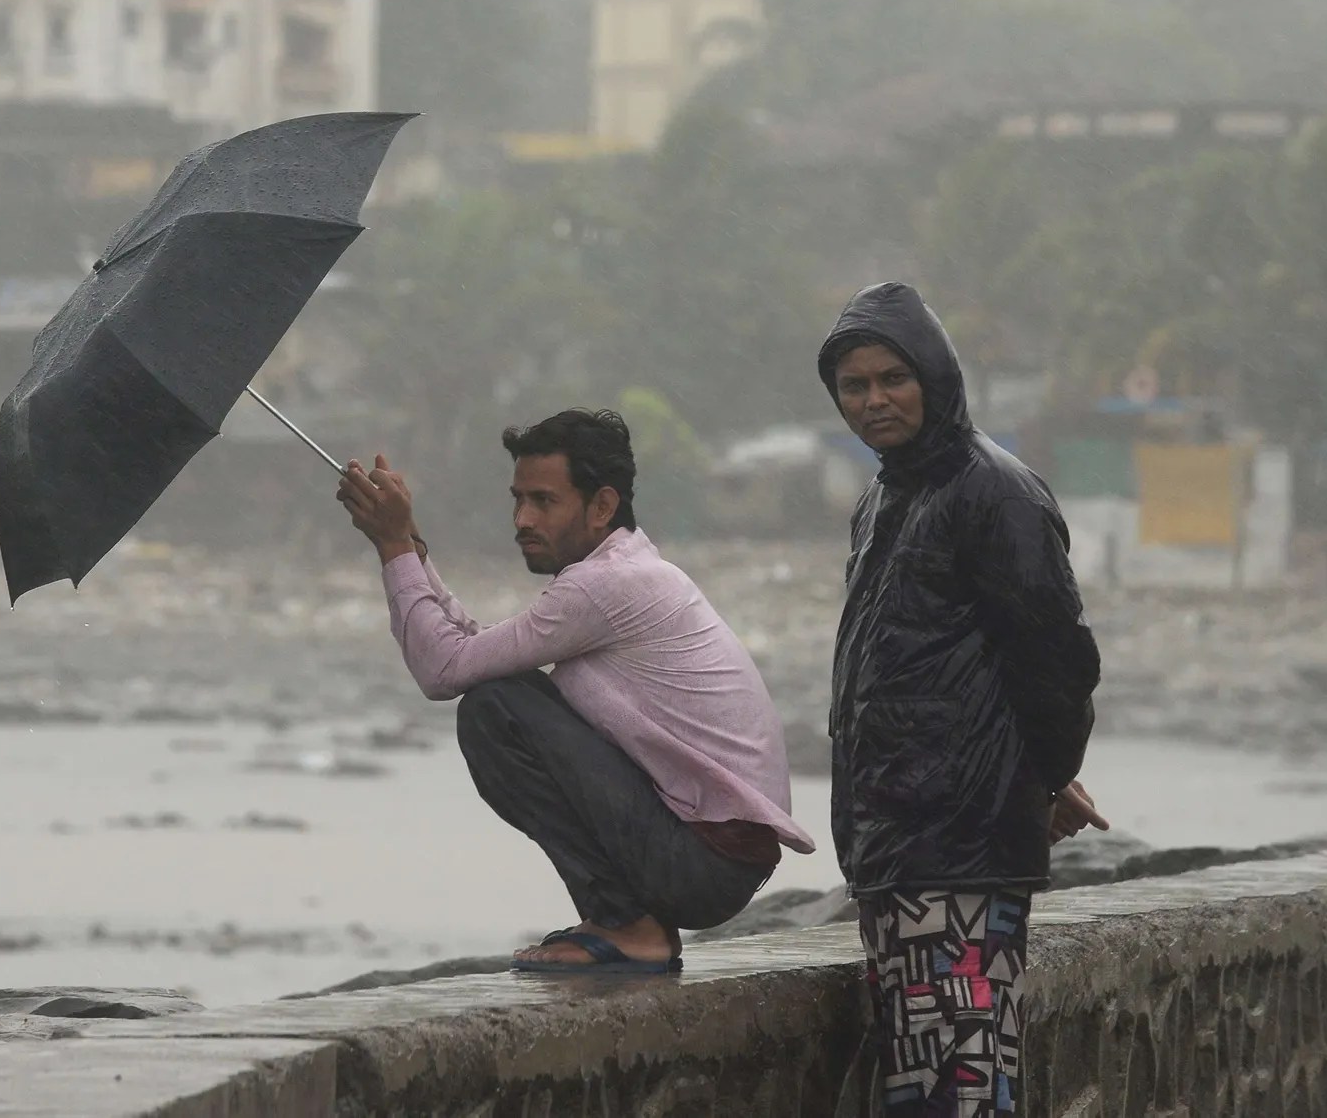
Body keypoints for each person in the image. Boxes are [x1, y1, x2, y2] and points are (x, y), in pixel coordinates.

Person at [334, 408, 813, 974]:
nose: (522, 519)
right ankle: (626, 920)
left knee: (494, 709)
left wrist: (393, 547)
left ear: (602, 506)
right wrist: (409, 546)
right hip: (702, 852)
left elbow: (444, 669)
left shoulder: (606, 586)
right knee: (500, 688)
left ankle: (626, 923)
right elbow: (475, 653)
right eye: (518, 499)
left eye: (543, 501)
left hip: (702, 864)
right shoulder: (622, 571)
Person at [819, 283, 1106, 1117]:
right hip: (896, 853)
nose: (874, 401)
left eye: (892, 379)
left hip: (963, 856)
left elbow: (1056, 661)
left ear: (936, 377)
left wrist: (1043, 780)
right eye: (854, 386)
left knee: (965, 1085)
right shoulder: (883, 499)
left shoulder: (996, 494)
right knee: (926, 1087)